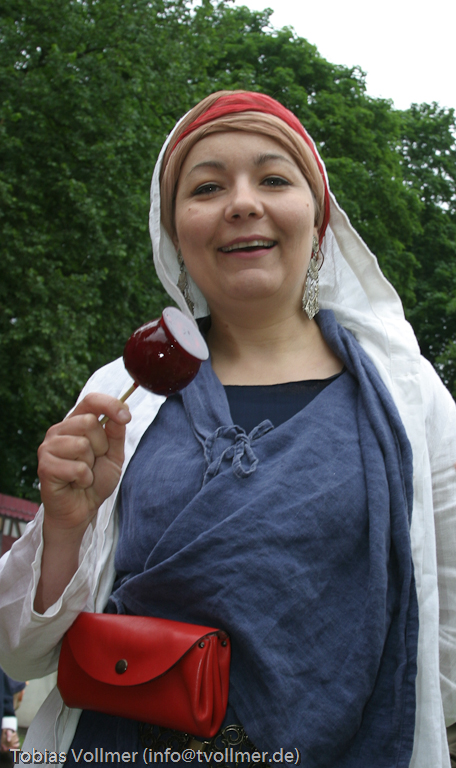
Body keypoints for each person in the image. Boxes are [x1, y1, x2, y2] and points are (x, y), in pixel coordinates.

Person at [0, 91, 454, 768]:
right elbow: (20, 651)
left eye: (274, 179)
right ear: (174, 233)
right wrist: (66, 527)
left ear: (319, 219)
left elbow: (445, 636)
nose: (242, 203)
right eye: (207, 187)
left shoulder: (408, 397)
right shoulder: (119, 398)